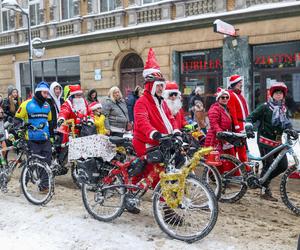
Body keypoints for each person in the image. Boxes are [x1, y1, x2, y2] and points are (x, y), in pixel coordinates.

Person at [132, 48, 180, 219]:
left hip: (160, 142)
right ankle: (165, 210)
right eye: (159, 86)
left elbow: (170, 118)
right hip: (145, 142)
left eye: (162, 85)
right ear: (150, 85)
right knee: (154, 173)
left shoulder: (162, 102)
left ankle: (164, 205)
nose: (161, 88)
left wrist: (176, 132)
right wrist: (154, 134)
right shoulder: (141, 102)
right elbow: (142, 122)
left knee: (160, 173)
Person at [245, 82, 299, 201]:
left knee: (283, 166)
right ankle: (264, 190)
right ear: (272, 94)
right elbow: (250, 117)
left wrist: (291, 130)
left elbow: (286, 124)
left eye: (281, 94)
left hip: (278, 142)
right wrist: (249, 128)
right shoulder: (265, 107)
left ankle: (262, 180)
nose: (279, 96)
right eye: (277, 93)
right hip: (265, 141)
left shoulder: (283, 109)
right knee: (268, 166)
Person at [15, 82, 53, 192]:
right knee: (32, 163)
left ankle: (44, 186)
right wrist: (20, 132)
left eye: (47, 93)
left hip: (45, 139)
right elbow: (17, 119)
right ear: (38, 92)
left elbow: (49, 121)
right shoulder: (26, 104)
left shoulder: (47, 105)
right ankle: (23, 184)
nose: (46, 95)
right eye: (44, 93)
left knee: (46, 163)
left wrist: (52, 136)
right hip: (31, 139)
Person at [204, 88, 236, 174]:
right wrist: (220, 132)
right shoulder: (215, 109)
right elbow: (214, 123)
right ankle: (217, 176)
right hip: (216, 137)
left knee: (227, 157)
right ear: (218, 99)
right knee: (217, 157)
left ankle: (227, 174)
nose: (225, 99)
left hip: (225, 136)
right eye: (222, 97)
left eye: (226, 97)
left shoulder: (225, 108)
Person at [227, 74, 249, 163]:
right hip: (239, 126)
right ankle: (245, 168)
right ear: (235, 84)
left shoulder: (239, 95)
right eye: (240, 83)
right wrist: (236, 126)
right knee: (241, 148)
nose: (241, 84)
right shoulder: (231, 95)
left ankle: (242, 166)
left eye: (241, 82)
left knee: (242, 148)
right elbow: (233, 112)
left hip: (242, 125)